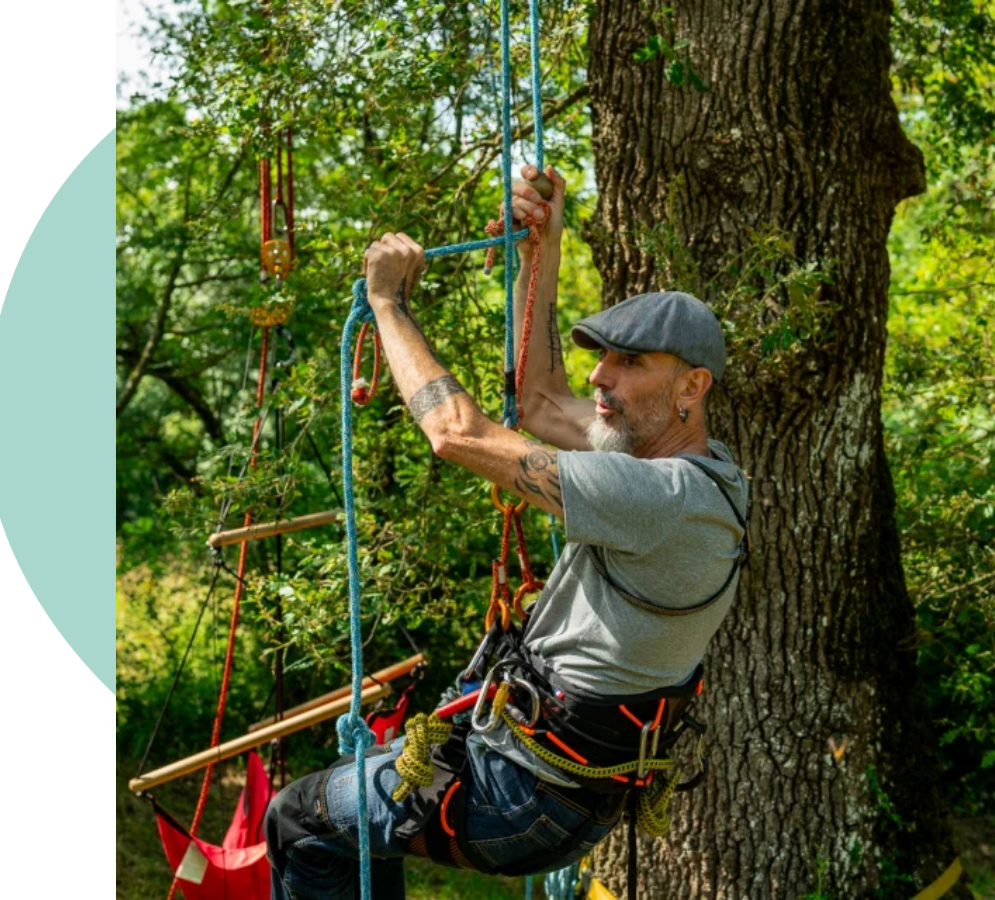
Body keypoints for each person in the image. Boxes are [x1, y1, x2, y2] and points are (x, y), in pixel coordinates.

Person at [265, 165, 749, 899]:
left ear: (692, 386)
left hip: (520, 793)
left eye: (630, 362)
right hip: (550, 784)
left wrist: (387, 302)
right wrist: (540, 253)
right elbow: (543, 401)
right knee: (350, 820)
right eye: (603, 358)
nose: (601, 379)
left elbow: (454, 432)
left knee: (299, 821)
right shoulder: (702, 475)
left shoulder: (653, 494)